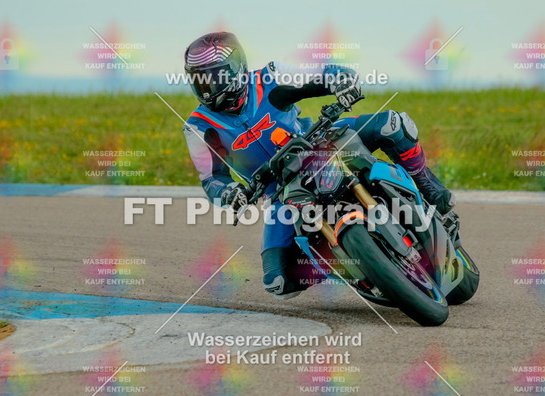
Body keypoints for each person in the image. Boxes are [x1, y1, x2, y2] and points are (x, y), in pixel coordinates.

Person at [182, 32, 455, 299]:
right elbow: (211, 179)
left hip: (320, 142)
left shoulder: (270, 77)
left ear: (236, 69)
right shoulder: (197, 127)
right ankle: (357, 266)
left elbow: (324, 73)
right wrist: (228, 193)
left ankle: (428, 189)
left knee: (393, 124)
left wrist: (342, 81)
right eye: (200, 81)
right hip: (279, 190)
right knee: (279, 282)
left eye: (216, 77)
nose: (209, 88)